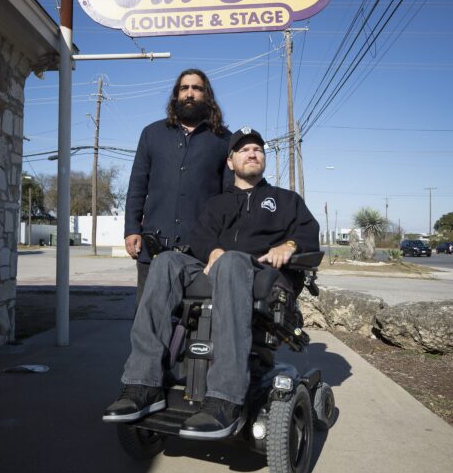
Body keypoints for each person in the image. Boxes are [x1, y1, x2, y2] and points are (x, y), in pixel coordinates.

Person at [104, 127, 320, 439]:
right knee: (165, 262)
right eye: (243, 150)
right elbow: (201, 238)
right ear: (230, 162)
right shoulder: (217, 203)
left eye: (257, 149)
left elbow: (307, 233)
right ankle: (142, 383)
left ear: (263, 159)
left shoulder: (286, 200)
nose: (252, 153)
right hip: (216, 269)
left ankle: (225, 398)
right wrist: (212, 250)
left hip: (263, 276)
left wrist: (290, 246)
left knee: (231, 261)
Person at [123, 69, 232, 300]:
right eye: (184, 88)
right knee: (149, 322)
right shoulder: (152, 134)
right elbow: (137, 185)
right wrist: (132, 228)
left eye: (197, 88)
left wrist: (222, 244)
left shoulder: (223, 139)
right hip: (154, 249)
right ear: (176, 95)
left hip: (202, 250)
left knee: (198, 323)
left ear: (207, 95)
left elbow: (229, 196)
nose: (190, 93)